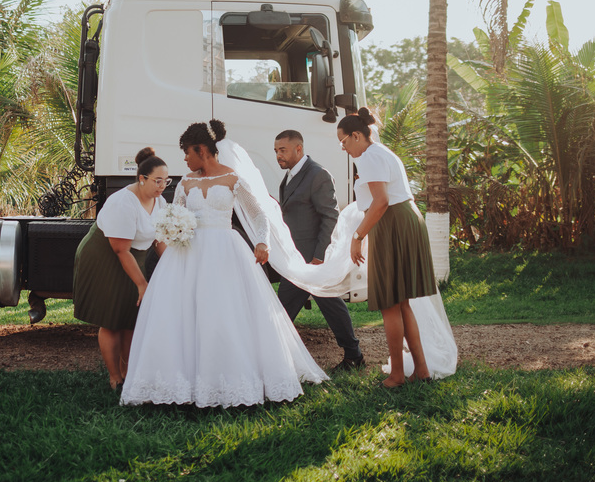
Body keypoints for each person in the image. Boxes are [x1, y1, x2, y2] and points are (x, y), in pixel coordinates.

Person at [121, 120, 327, 407]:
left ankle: (230, 379)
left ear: (201, 150)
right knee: (184, 314)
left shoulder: (233, 179)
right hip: (188, 255)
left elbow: (258, 215)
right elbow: (175, 214)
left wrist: (262, 242)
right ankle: (182, 381)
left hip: (224, 252)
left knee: (224, 312)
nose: (185, 159)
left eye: (187, 152)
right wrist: (172, 229)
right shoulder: (186, 182)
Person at [338, 107, 436, 388]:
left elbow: (380, 201)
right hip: (404, 219)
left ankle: (397, 375)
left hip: (393, 222)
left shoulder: (369, 157)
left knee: (389, 303)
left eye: (343, 141)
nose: (343, 148)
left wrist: (358, 236)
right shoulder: (381, 152)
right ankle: (421, 371)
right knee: (401, 303)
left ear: (357, 136)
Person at [73, 147, 169, 390]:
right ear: (142, 178)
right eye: (157, 181)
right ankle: (115, 377)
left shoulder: (160, 202)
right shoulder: (123, 202)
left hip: (133, 257)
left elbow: (159, 239)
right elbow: (120, 249)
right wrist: (142, 284)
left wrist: (172, 265)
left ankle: (129, 373)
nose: (162, 186)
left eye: (166, 181)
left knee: (131, 319)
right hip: (105, 256)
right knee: (112, 319)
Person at [274, 129, 364, 372]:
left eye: (282, 150)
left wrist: (319, 257)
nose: (278, 155)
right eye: (276, 151)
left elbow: (330, 217)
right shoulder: (290, 176)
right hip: (297, 259)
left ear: (298, 149)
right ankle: (353, 355)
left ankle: (353, 355)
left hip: (312, 258)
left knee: (322, 305)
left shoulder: (317, 174)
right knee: (289, 308)